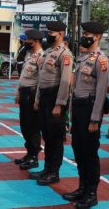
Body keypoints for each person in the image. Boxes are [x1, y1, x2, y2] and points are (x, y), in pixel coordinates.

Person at [62, 21, 109, 208]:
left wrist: (95, 118)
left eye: (88, 33)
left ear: (97, 37)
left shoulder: (101, 60)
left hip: (90, 110)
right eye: (84, 33)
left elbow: (101, 92)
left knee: (90, 154)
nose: (84, 36)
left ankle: (91, 193)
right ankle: (82, 187)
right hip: (79, 110)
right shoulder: (83, 58)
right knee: (79, 150)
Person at [31, 21, 73, 185]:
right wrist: (37, 99)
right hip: (45, 97)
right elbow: (41, 78)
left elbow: (65, 81)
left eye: (52, 32)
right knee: (46, 135)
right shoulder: (48, 52)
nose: (49, 34)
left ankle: (54, 172)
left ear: (61, 34)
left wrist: (59, 104)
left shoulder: (65, 54)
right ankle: (47, 168)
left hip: (55, 97)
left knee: (55, 137)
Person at [14, 29, 44, 170]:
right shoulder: (28, 54)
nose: (25, 42)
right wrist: (18, 92)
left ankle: (34, 157)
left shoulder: (41, 57)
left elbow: (40, 81)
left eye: (28, 40)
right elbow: (23, 76)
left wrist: (37, 99)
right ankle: (29, 153)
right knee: (24, 126)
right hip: (24, 93)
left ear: (36, 41)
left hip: (33, 94)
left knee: (33, 127)